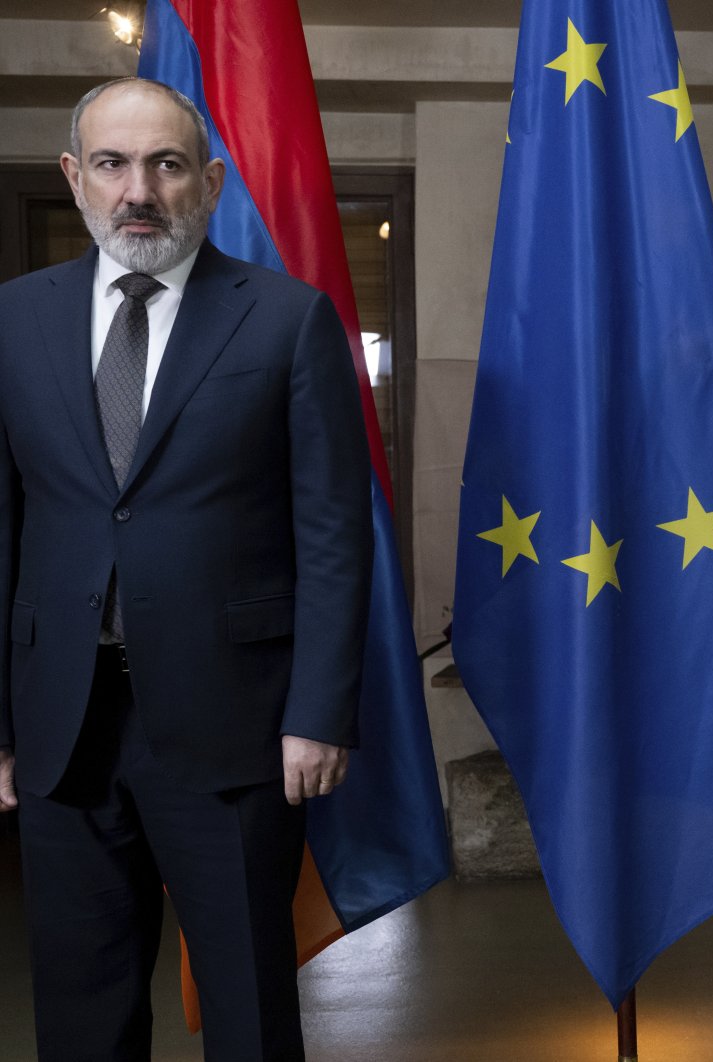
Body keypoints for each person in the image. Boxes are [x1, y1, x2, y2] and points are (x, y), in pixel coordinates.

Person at [0, 77, 372, 1060]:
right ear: (75, 178)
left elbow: (334, 530)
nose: (140, 190)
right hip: (61, 727)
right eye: (114, 164)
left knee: (249, 1011)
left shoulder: (287, 319)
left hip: (237, 727)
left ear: (206, 181)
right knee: (82, 1015)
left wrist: (318, 711)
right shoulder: (12, 320)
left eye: (166, 165)